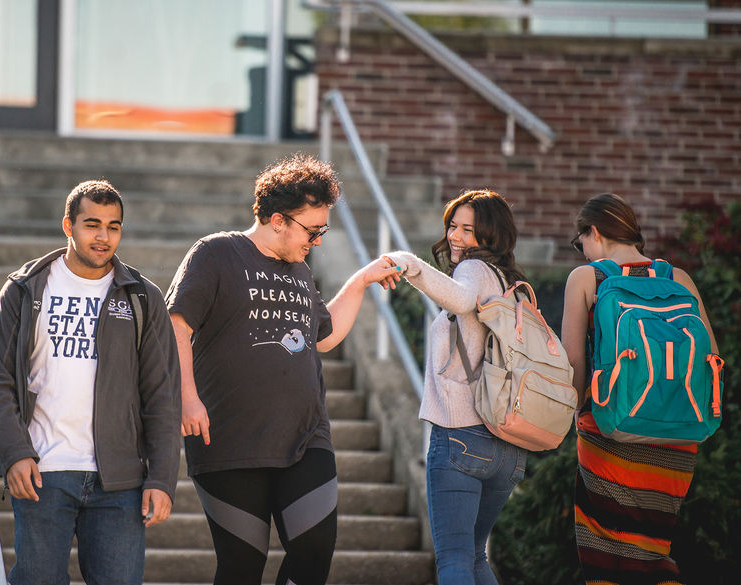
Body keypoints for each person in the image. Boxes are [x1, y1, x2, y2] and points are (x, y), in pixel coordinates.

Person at [165, 153, 400, 585]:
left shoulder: (300, 272)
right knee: (242, 568)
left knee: (313, 551)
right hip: (229, 440)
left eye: (323, 230)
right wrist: (187, 396)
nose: (319, 240)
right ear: (278, 220)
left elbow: (323, 336)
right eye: (313, 230)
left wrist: (361, 280)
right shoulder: (217, 252)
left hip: (305, 436)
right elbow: (176, 324)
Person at [0, 179, 182, 585]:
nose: (103, 237)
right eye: (92, 224)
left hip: (120, 482)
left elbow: (162, 394)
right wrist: (16, 452)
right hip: (44, 472)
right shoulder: (24, 290)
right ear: (68, 226)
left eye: (114, 226)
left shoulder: (142, 297)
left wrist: (161, 478)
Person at [561, 192, 718, 585]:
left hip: (610, 431)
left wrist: (565, 420)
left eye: (581, 243)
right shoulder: (677, 278)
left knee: (609, 557)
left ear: (593, 231)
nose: (583, 253)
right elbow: (712, 356)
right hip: (677, 439)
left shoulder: (588, 278)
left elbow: (574, 365)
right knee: (652, 551)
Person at [381, 189, 529, 584]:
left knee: (454, 561)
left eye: (469, 229)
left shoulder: (475, 272)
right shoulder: (511, 282)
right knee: (475, 558)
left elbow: (461, 299)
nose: (456, 237)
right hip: (507, 447)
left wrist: (407, 264)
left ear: (491, 235)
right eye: (453, 226)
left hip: (461, 438)